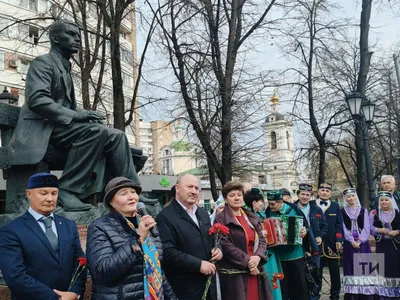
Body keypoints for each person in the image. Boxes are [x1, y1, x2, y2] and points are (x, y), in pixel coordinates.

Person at [8, 19, 141, 212]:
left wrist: (84, 113)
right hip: (42, 131)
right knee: (96, 132)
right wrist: (75, 116)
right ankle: (67, 189)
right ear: (55, 38)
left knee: (116, 135)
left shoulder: (65, 67)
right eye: (71, 34)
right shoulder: (43, 63)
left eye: (78, 36)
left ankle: (130, 189)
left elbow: (65, 105)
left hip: (60, 129)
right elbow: (37, 100)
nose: (77, 39)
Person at [86, 177, 176, 300]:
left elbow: (157, 270)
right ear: (111, 202)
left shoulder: (147, 224)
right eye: (123, 193)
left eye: (133, 192)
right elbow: (102, 272)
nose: (131, 197)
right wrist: (138, 239)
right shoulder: (99, 227)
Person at [0, 173, 87, 300]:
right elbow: (15, 275)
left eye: (54, 193)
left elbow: (80, 263)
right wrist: (55, 297)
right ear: (29, 194)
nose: (50, 198)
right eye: (43, 193)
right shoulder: (11, 230)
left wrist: (75, 292)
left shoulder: (69, 225)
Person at [156, 174, 223, 300]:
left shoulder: (202, 213)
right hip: (185, 288)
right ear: (177, 188)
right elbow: (168, 252)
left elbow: (212, 238)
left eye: (197, 188)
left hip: (208, 285)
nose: (194, 191)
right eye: (190, 187)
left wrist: (218, 249)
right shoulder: (165, 217)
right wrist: (198, 265)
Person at [215, 181, 272, 300]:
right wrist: (248, 262)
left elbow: (261, 239)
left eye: (239, 195)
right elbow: (225, 245)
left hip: (256, 268)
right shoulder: (221, 219)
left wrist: (257, 257)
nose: (236, 198)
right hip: (237, 272)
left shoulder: (251, 217)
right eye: (232, 195)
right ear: (225, 199)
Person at [265, 190, 314, 300]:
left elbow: (305, 227)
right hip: (279, 256)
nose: (270, 206)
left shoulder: (293, 209)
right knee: (283, 287)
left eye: (273, 204)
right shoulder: (268, 211)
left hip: (296, 255)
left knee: (300, 286)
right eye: (269, 203)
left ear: (280, 201)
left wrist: (304, 232)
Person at [244, 188, 282, 300]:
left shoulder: (262, 214)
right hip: (258, 254)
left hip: (270, 251)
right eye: (261, 201)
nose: (262, 203)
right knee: (265, 280)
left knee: (273, 277)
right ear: (254, 202)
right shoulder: (246, 215)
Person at [295, 183, 328, 300]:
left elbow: (324, 226)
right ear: (298, 194)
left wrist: (320, 236)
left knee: (314, 275)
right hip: (298, 250)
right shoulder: (292, 209)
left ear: (311, 196)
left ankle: (314, 297)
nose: (305, 197)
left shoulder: (316, 209)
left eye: (307, 195)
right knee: (300, 277)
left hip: (315, 249)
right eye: (302, 194)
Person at [340, 188, 373, 299]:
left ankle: (366, 294)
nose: (351, 198)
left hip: (362, 244)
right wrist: (351, 240)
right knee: (351, 267)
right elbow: (343, 228)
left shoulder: (363, 210)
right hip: (350, 244)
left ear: (356, 197)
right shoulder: (342, 211)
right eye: (348, 197)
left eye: (353, 196)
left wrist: (359, 240)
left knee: (364, 268)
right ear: (345, 199)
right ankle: (353, 295)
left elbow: (366, 227)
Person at [313, 182, 343, 300]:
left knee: (335, 273)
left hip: (332, 245)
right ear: (318, 191)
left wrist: (339, 239)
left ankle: (335, 296)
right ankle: (315, 295)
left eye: (327, 191)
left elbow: (339, 225)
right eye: (322, 190)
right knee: (316, 272)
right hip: (316, 245)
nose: (324, 192)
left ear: (330, 193)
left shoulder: (335, 206)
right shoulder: (311, 205)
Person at [369, 191, 400, 299]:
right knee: (383, 269)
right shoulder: (374, 213)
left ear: (391, 201)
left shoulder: (398, 212)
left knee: (395, 268)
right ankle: (385, 293)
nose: (384, 202)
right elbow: (369, 227)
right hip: (381, 245)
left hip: (395, 246)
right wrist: (378, 229)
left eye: (386, 200)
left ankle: (396, 293)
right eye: (381, 200)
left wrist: (397, 231)